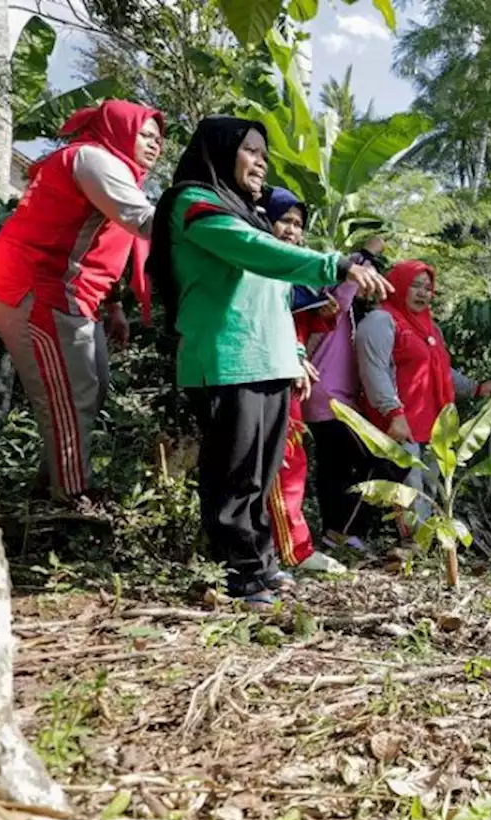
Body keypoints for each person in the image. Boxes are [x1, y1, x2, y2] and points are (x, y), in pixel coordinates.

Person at [147, 116, 391, 608]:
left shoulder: (247, 213)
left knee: (262, 475)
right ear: (220, 151)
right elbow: (256, 253)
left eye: (264, 153)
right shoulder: (194, 203)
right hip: (225, 357)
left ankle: (263, 563)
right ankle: (241, 574)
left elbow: (275, 297)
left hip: (272, 360)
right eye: (250, 150)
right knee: (234, 475)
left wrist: (297, 353)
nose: (261, 161)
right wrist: (336, 264)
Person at [0, 100, 164, 502]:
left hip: (71, 293)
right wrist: (210, 224)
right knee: (71, 392)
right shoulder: (95, 159)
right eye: (146, 135)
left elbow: (103, 247)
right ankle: (72, 496)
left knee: (89, 390)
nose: (155, 145)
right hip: (32, 283)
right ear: (118, 129)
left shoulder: (115, 171)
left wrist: (114, 305)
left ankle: (50, 486)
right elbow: (147, 222)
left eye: (158, 138)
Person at [355, 260, 491, 527]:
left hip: (433, 424)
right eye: (415, 286)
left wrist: (476, 388)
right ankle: (412, 548)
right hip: (398, 421)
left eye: (428, 288)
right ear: (397, 286)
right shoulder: (381, 320)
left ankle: (426, 544)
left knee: (431, 486)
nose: (423, 293)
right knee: (410, 487)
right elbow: (374, 371)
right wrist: (393, 412)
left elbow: (441, 370)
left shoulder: (430, 327)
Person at [260, 186, 348, 576]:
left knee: (289, 462)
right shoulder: (257, 266)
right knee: (282, 462)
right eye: (285, 221)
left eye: (298, 224)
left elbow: (303, 321)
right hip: (268, 373)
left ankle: (286, 547)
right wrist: (295, 355)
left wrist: (324, 314)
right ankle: (291, 549)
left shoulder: (291, 274)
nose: (293, 231)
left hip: (290, 376)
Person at [303, 235, 389, 552]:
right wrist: (368, 252)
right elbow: (350, 278)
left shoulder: (349, 315)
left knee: (334, 465)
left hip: (327, 398)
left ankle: (333, 532)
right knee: (371, 459)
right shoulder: (334, 306)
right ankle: (345, 530)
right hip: (329, 399)